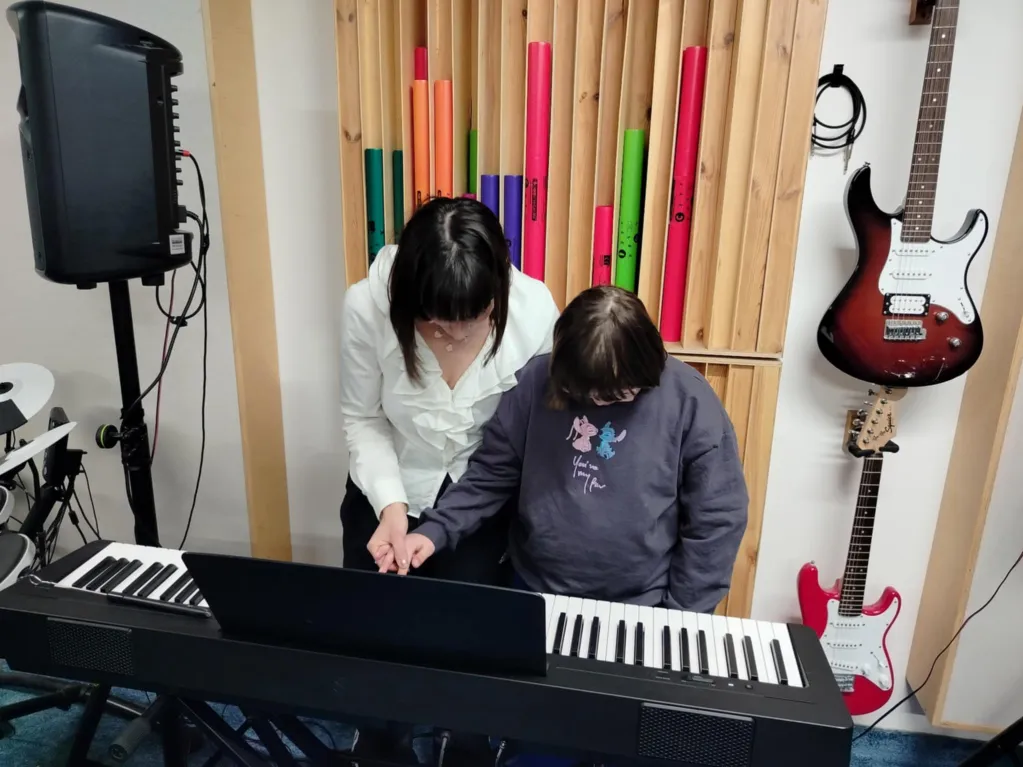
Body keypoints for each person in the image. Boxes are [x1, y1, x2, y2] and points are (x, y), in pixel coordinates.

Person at [401, 285, 749, 616]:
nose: (598, 404)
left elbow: (716, 519)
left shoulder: (689, 401)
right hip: (534, 589)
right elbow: (491, 475)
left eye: (616, 396)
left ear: (649, 369)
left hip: (641, 603)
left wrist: (681, 615)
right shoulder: (535, 381)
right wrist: (435, 530)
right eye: (584, 395)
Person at [339, 196, 559, 585]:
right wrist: (391, 505)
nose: (457, 334)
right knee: (370, 612)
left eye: (475, 317)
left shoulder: (534, 312)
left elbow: (527, 435)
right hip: (386, 485)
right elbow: (364, 418)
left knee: (466, 616)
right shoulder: (367, 307)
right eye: (439, 319)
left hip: (479, 497)